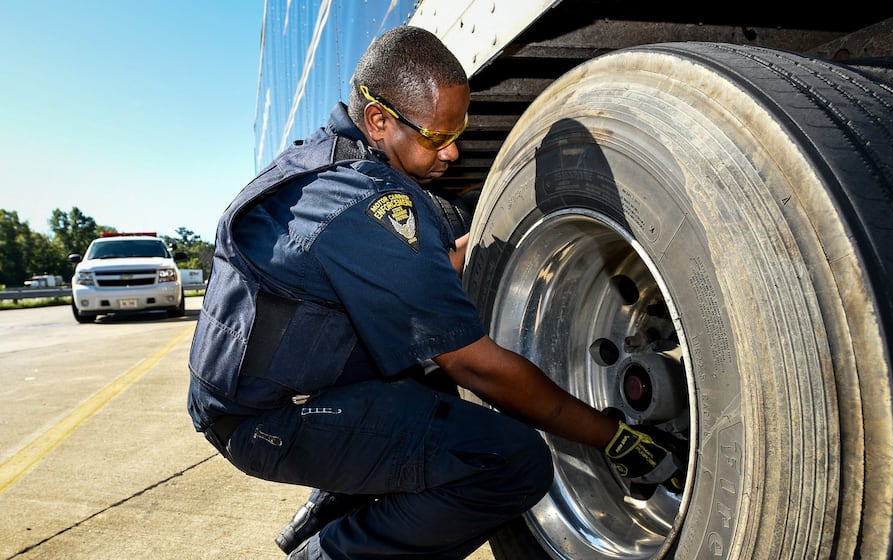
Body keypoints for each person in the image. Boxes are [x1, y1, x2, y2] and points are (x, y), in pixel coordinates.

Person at [187, 25, 683, 560]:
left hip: (271, 392)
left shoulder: (326, 165)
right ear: (379, 119)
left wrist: (461, 249)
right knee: (510, 462)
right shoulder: (362, 202)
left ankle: (336, 507)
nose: (453, 152)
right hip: (267, 421)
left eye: (459, 131)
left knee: (430, 387)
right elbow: (479, 367)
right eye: (436, 137)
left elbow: (385, 283)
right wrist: (611, 436)